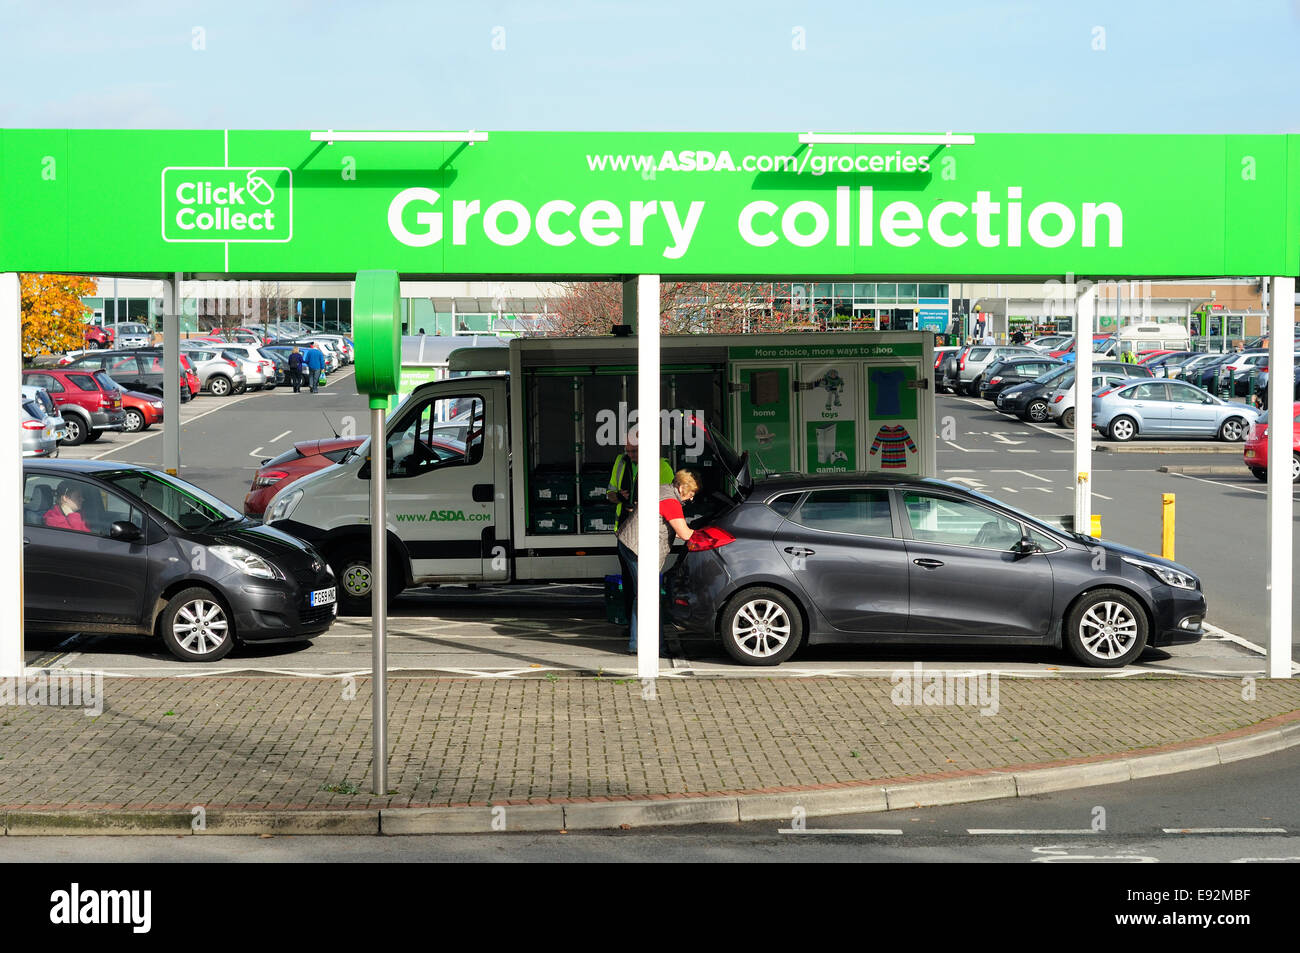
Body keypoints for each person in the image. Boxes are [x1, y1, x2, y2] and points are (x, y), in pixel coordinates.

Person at [616, 469, 697, 656]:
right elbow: (685, 534)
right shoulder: (671, 502)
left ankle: (637, 643)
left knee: (642, 597)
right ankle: (654, 647)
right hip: (638, 548)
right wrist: (707, 536)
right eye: (691, 493)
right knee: (649, 598)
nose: (691, 499)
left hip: (630, 543)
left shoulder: (663, 490)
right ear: (683, 487)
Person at [607, 429, 675, 628]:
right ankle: (633, 627)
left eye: (634, 451)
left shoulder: (662, 468)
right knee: (630, 582)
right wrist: (619, 496)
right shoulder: (621, 462)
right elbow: (609, 493)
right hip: (625, 532)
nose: (630, 455)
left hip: (647, 532)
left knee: (643, 586)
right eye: (627, 450)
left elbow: (667, 501)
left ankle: (643, 632)